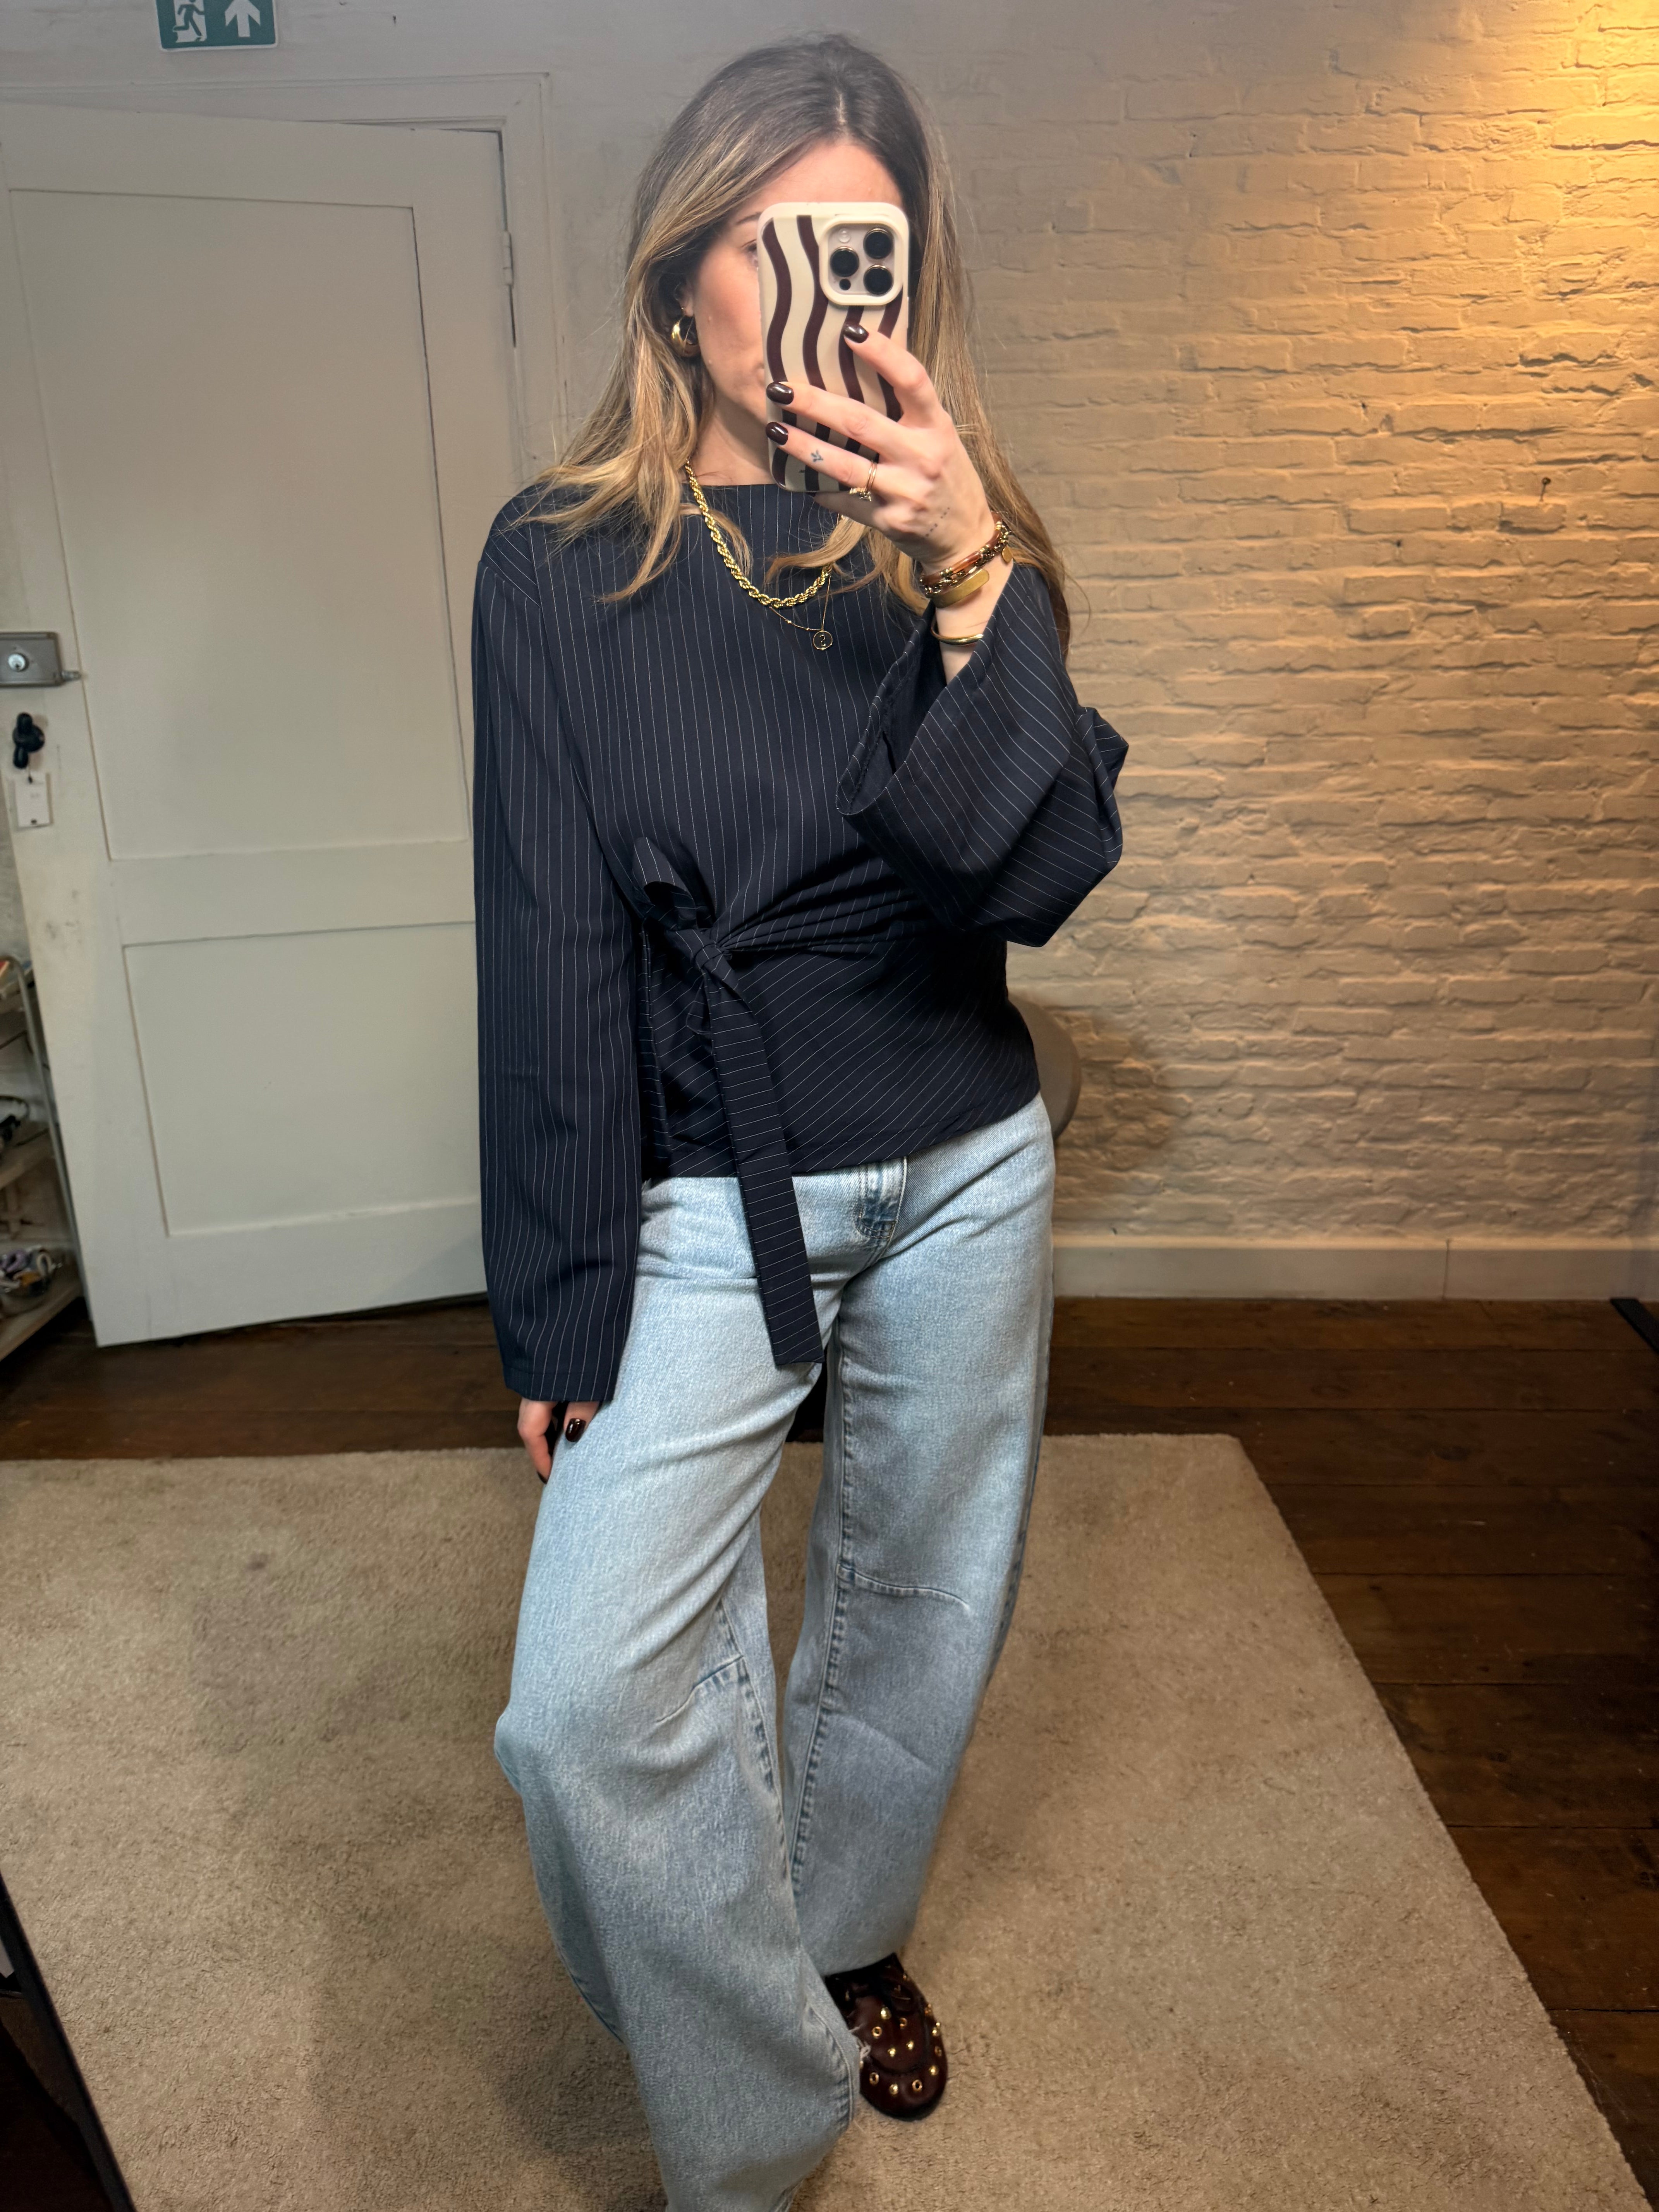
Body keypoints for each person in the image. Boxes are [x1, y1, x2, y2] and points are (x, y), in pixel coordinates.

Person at [471, 33, 1127, 2212]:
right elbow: (549, 937)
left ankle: (843, 1937)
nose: (829, 290)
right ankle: (756, 2102)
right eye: (777, 243)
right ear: (683, 282)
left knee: (920, 1596)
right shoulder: (557, 564)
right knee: (583, 1711)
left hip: (961, 1151)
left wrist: (970, 578)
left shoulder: (958, 543)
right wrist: (558, 1299)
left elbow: (1033, 875)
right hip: (703, 1174)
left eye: (870, 245)